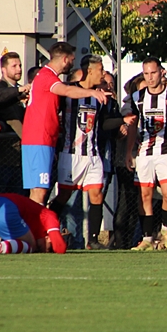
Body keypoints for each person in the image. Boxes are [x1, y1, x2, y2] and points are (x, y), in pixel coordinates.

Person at [22, 42, 109, 205]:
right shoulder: (47, 76)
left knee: (40, 190)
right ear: (64, 59)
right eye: (71, 59)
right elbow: (67, 91)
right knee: (39, 192)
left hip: (43, 139)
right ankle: (34, 230)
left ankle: (36, 229)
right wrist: (91, 92)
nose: (73, 63)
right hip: (39, 139)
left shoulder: (47, 76)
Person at [49, 55, 121, 249]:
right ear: (89, 71)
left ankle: (93, 240)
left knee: (96, 194)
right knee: (64, 196)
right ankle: (47, 227)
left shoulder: (99, 96)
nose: (103, 73)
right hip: (71, 155)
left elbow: (103, 123)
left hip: (93, 154)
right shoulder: (69, 92)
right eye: (100, 69)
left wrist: (123, 121)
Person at [126, 57, 167, 251]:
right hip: (144, 153)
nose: (149, 77)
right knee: (145, 195)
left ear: (161, 72)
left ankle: (165, 230)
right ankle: (147, 239)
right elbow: (132, 126)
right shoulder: (137, 97)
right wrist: (128, 152)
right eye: (146, 74)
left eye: (153, 73)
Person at [0, 192, 68, 254]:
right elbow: (60, 248)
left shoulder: (34, 224)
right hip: (4, 208)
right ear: (48, 237)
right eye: (49, 248)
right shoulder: (48, 215)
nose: (44, 251)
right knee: (31, 246)